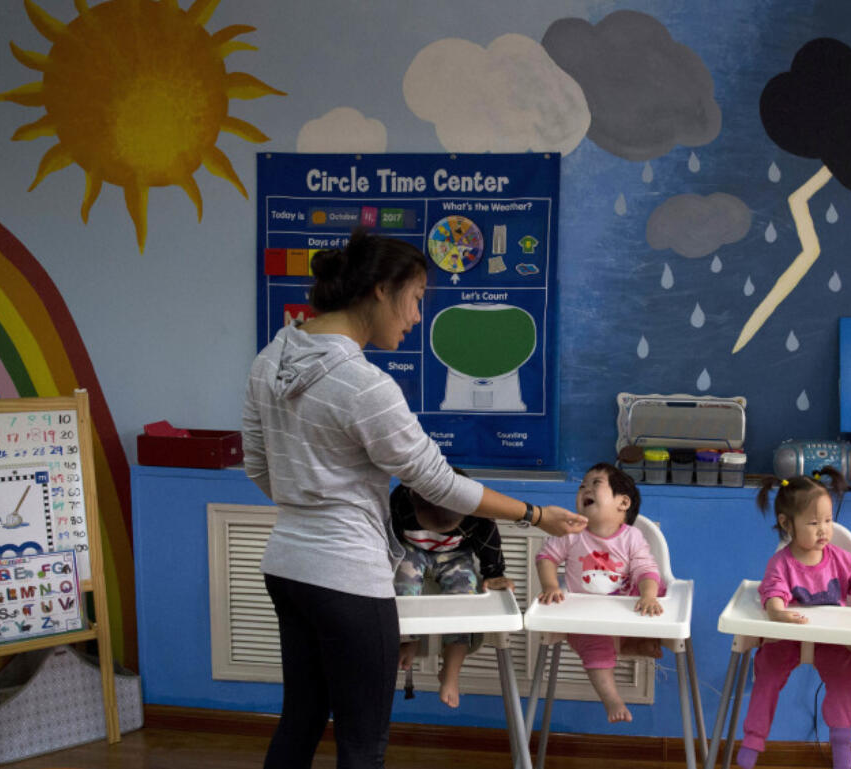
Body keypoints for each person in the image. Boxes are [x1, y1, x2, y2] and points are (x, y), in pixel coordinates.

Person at [242, 227, 586, 769]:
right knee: (362, 744)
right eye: (418, 298)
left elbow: (259, 465)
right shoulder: (364, 385)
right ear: (382, 288)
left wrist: (310, 503)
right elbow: (439, 483)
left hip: (286, 565)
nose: (418, 316)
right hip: (347, 576)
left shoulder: (271, 359)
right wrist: (535, 515)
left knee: (302, 719)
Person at [738, 468, 851, 769]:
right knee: (767, 673)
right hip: (790, 635)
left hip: (831, 639)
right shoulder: (781, 564)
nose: (824, 530)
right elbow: (773, 592)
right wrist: (778, 612)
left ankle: (842, 748)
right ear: (786, 524)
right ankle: (752, 744)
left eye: (829, 520)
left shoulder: (840, 560)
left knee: (842, 682)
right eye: (813, 522)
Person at [534, 462, 664, 723]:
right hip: (588, 617)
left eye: (596, 483)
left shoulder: (632, 537)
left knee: (658, 586)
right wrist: (550, 586)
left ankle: (640, 638)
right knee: (595, 647)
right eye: (583, 484)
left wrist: (648, 595)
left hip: (626, 609)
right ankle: (612, 698)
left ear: (623, 503)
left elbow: (644, 568)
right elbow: (546, 557)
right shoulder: (571, 533)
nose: (585, 488)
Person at [390, 472, 513, 708]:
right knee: (403, 583)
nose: (441, 533)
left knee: (462, 603)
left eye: (448, 528)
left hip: (456, 556)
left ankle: (451, 670)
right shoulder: (400, 500)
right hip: (411, 550)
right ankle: (409, 641)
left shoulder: (477, 511)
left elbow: (489, 541)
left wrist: (494, 573)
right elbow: (390, 538)